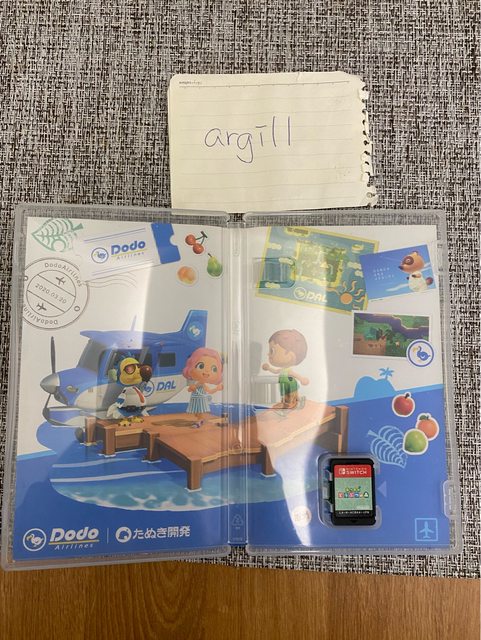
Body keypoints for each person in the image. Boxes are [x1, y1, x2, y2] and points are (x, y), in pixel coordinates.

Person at [262, 329, 309, 410]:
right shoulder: (282, 370)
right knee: (284, 394)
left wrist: (302, 379)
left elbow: (295, 375)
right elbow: (275, 371)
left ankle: (293, 404)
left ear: (290, 356)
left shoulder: (288, 371)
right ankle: (287, 403)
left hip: (290, 384)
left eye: (272, 351)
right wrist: (268, 368)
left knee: (291, 395)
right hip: (283, 384)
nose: (268, 354)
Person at [182, 347, 223, 428]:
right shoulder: (198, 383)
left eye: (213, 369)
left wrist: (217, 388)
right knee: (196, 412)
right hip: (195, 399)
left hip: (200, 400)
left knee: (200, 411)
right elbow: (190, 389)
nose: (206, 372)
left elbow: (209, 391)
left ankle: (199, 421)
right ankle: (199, 419)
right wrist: (193, 387)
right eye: (201, 366)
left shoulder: (202, 385)